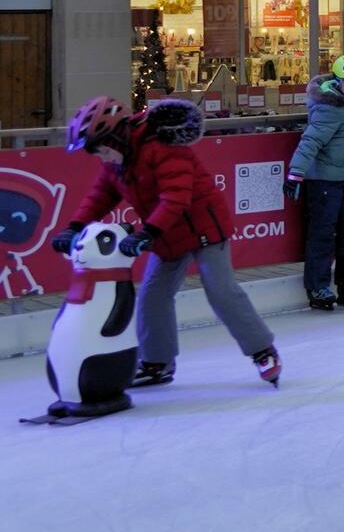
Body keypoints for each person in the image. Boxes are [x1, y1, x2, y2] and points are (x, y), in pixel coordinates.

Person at [55, 97, 279, 389]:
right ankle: (157, 363)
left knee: (221, 290)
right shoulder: (116, 162)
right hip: (167, 235)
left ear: (115, 137)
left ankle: (263, 351)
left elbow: (176, 196)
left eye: (102, 149)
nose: (102, 157)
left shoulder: (161, 147)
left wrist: (147, 233)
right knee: (153, 296)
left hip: (204, 229)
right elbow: (100, 196)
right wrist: (73, 228)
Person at [289, 51, 344, 311]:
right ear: (338, 81)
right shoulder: (331, 106)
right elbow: (311, 141)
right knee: (323, 233)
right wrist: (295, 174)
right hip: (324, 180)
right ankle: (318, 286)